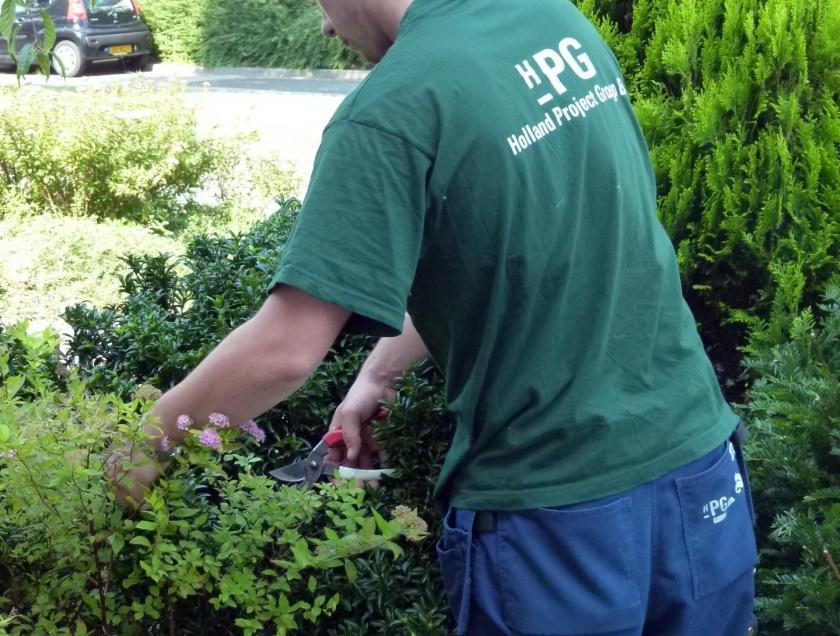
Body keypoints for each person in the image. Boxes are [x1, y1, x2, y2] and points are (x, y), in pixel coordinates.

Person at [117, 0, 758, 633]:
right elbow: (510, 246)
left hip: (555, 514)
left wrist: (145, 445)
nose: (325, 25)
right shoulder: (551, 18)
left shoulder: (391, 109)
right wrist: (377, 377)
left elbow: (284, 351)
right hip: (699, 465)